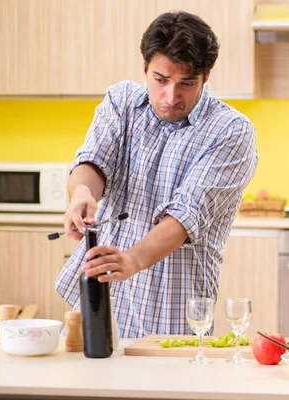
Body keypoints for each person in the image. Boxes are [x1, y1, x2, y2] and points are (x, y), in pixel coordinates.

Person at [55, 11, 258, 338]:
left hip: (171, 306)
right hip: (100, 296)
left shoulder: (231, 131)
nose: (171, 97)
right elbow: (94, 160)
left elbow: (186, 216)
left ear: (206, 77)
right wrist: (82, 194)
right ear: (145, 68)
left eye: (187, 84)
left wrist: (131, 260)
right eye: (161, 80)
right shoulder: (122, 101)